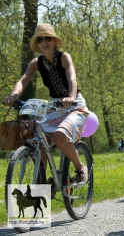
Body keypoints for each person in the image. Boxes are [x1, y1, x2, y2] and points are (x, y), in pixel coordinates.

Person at [2, 23, 89, 183]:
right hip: (54, 106)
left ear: (54, 41)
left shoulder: (64, 57)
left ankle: (80, 168)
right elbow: (23, 81)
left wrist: (70, 96)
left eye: (47, 38)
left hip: (74, 105)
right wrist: (13, 96)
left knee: (60, 136)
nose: (44, 42)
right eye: (40, 39)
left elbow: (72, 78)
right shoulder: (36, 63)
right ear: (38, 44)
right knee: (38, 140)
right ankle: (41, 182)